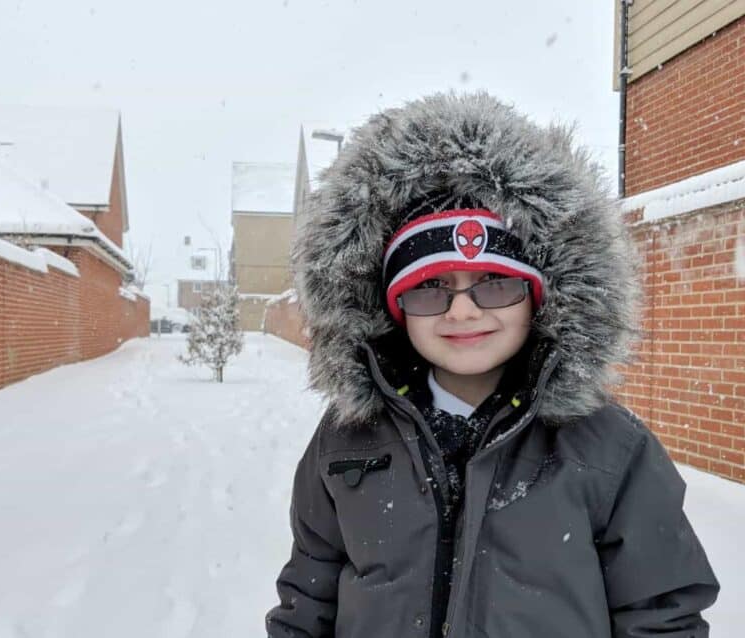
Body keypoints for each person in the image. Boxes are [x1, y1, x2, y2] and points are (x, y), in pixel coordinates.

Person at [265, 91, 720, 638]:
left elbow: (661, 615)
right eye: (431, 288)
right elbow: (308, 599)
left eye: (494, 284)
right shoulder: (347, 441)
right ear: (394, 307)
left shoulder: (608, 449)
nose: (463, 309)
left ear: (538, 297)